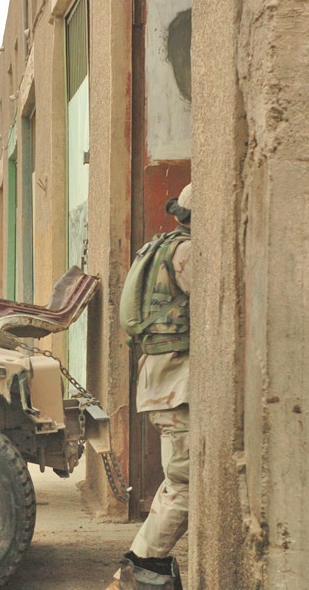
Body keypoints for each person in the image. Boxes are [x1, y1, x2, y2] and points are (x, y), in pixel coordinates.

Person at [108, 183, 192, 590]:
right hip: (176, 384)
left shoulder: (161, 247)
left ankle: (137, 569)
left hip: (164, 383)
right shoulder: (186, 252)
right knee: (185, 484)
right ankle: (141, 569)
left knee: (178, 481)